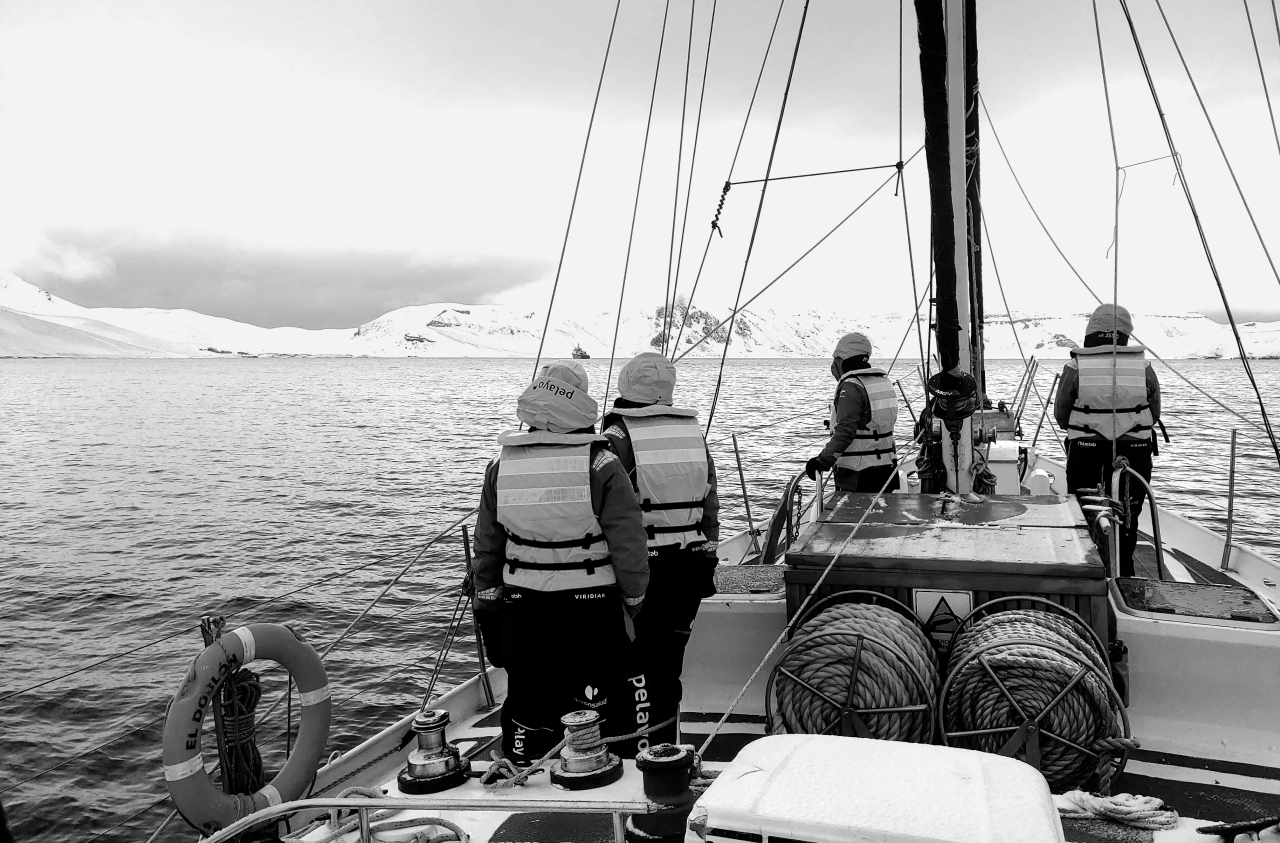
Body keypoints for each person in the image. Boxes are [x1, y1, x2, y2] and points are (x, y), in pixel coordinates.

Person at [472, 360, 649, 765]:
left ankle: (523, 761)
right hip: (591, 604)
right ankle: (596, 762)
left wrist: (488, 598)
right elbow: (629, 542)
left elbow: (488, 544)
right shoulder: (601, 463)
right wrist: (635, 598)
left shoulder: (502, 465)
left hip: (523, 602)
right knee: (596, 688)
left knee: (527, 689)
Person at [602, 352, 719, 755]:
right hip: (689, 563)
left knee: (634, 665)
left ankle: (636, 754)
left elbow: (608, 511)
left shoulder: (618, 437)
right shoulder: (692, 433)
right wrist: (709, 555)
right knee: (669, 663)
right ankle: (666, 746)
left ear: (625, 384)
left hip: (642, 569)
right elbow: (710, 502)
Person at [1055, 304, 1161, 577]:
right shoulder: (1144, 366)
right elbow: (1155, 410)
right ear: (1126, 332)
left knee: (1082, 507)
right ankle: (1124, 569)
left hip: (1086, 449)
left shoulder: (1075, 365)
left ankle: (1087, 566)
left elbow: (1062, 414)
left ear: (1092, 329)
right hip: (1135, 450)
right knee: (1129, 511)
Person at [805, 333, 900, 493]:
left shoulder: (851, 386)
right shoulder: (884, 382)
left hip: (860, 476)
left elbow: (845, 432)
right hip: (887, 470)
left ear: (842, 359)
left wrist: (822, 461)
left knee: (855, 517)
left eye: (835, 359)